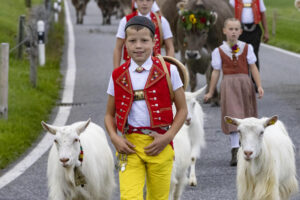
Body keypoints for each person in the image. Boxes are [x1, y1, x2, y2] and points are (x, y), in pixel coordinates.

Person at [105, 16, 187, 199]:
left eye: (144, 40)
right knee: (129, 196)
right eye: (132, 41)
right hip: (130, 146)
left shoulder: (169, 71)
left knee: (158, 197)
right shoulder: (118, 75)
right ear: (125, 43)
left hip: (160, 144)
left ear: (154, 42)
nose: (138, 46)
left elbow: (182, 110)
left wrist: (168, 137)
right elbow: (109, 115)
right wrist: (114, 138)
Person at [204, 18, 264, 166]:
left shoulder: (247, 48)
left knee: (247, 118)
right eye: (230, 29)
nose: (233, 32)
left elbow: (253, 67)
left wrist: (259, 85)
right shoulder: (218, 51)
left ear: (240, 32)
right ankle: (235, 150)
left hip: (245, 84)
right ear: (224, 31)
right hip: (229, 85)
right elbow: (215, 72)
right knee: (233, 117)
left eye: (236, 29)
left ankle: (249, 148)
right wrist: (211, 91)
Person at [113, 0, 174, 69]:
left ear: (153, 2)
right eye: (141, 0)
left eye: (148, 0)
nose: (145, 3)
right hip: (130, 68)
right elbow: (118, 48)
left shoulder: (162, 21)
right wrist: (116, 71)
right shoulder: (125, 21)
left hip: (155, 70)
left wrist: (167, 69)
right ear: (135, 1)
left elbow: (170, 47)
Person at [230, 0, 269, 90]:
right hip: (239, 31)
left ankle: (255, 82)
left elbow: (263, 14)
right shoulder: (233, 1)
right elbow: (229, 13)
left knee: (253, 56)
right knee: (240, 56)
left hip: (254, 30)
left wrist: (266, 31)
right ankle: (243, 81)